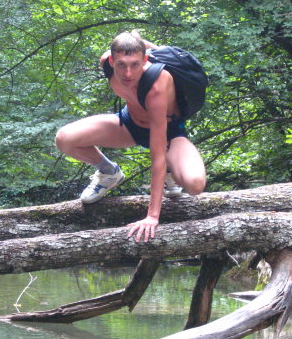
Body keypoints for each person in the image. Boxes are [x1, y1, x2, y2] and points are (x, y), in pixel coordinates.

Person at [55, 31, 206, 242]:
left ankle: (171, 172)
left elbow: (157, 156)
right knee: (64, 139)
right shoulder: (106, 63)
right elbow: (127, 45)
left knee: (195, 185)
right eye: (121, 65)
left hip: (169, 135)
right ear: (111, 60)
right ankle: (109, 172)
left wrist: (152, 216)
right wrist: (136, 38)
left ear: (144, 60)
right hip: (129, 124)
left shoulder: (157, 84)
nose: (128, 73)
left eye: (135, 65)